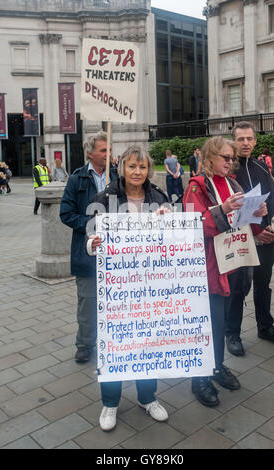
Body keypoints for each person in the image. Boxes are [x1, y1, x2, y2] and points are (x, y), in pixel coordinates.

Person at [86, 146, 169, 431]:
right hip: (117, 289)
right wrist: (93, 243)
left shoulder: (159, 196)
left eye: (142, 167)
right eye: (132, 166)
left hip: (150, 286)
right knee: (115, 343)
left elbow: (174, 237)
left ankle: (148, 397)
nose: (137, 172)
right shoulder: (105, 198)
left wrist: (168, 219)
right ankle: (110, 402)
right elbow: (89, 234)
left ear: (149, 170)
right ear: (122, 168)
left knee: (148, 341)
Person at [183, 136, 267, 407]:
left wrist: (258, 215)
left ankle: (217, 366)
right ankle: (200, 377)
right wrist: (223, 208)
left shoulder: (233, 183)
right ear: (209, 158)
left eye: (232, 158)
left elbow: (242, 221)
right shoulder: (196, 186)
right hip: (208, 265)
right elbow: (192, 225)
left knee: (222, 319)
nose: (231, 162)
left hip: (232, 260)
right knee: (208, 323)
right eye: (226, 157)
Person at [225, 122, 274, 357]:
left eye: (249, 139)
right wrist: (254, 231)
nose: (245, 143)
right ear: (234, 141)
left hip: (265, 239)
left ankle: (265, 326)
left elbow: (272, 203)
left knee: (263, 285)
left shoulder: (262, 167)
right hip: (240, 240)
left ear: (255, 141)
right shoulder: (228, 170)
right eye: (240, 139)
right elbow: (228, 212)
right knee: (238, 288)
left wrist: (270, 228)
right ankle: (232, 332)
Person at [60, 131, 118, 364]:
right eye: (104, 150)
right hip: (88, 252)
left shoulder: (117, 177)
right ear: (90, 153)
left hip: (115, 253)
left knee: (115, 301)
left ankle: (113, 340)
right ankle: (85, 343)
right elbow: (66, 213)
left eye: (110, 150)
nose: (108, 154)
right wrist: (93, 225)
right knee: (88, 300)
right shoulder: (77, 179)